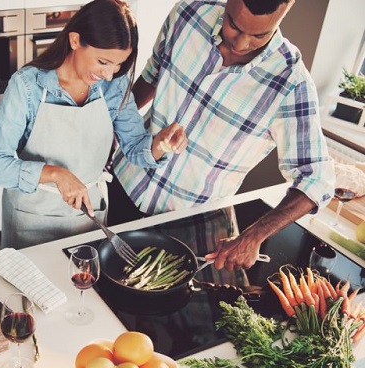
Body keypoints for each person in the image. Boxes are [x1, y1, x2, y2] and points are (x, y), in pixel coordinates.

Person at [108, 0, 335, 270]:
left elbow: (316, 180)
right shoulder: (187, 14)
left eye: (259, 35)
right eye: (233, 25)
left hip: (190, 226)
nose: (241, 44)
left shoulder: (291, 83)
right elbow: (150, 77)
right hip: (123, 182)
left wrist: (254, 236)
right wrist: (105, 133)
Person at [0, 0, 187, 249]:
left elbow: (134, 147)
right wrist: (55, 174)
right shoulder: (27, 86)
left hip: (88, 217)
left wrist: (160, 145)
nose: (109, 74)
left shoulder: (114, 85)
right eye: (103, 62)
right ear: (75, 40)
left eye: (118, 65)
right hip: (31, 219)